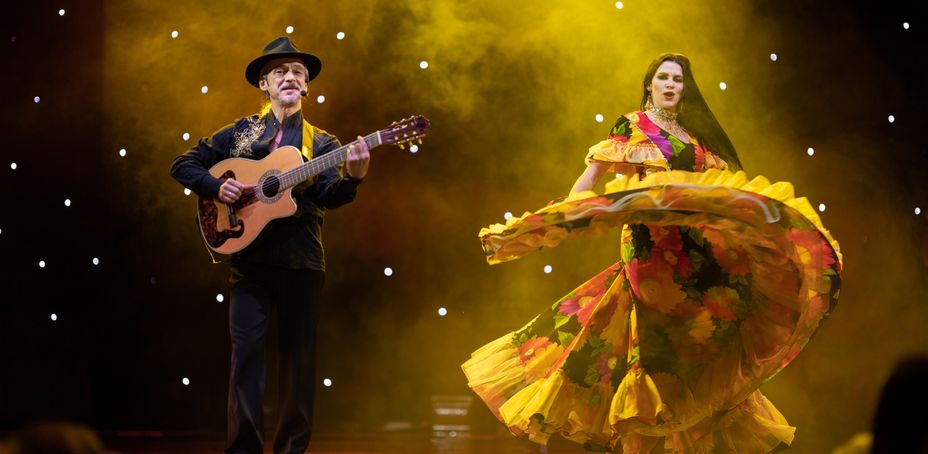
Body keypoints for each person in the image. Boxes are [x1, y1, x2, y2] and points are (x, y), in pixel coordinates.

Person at [463, 53, 842, 452]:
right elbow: (591, 179)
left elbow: (717, 192)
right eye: (662, 77)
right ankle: (639, 433)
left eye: (677, 79)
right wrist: (565, 216)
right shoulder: (634, 126)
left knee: (703, 335)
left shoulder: (696, 138)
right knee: (652, 338)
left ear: (685, 88)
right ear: (650, 84)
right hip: (647, 243)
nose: (670, 84)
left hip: (695, 249)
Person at [170, 36, 370, 454]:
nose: (291, 77)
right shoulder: (240, 134)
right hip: (250, 264)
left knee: (299, 366)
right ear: (264, 83)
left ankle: (290, 451)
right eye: (281, 71)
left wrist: (353, 176)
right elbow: (182, 164)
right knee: (245, 360)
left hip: (302, 263)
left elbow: (331, 196)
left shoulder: (325, 144)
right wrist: (215, 185)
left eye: (298, 72)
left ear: (307, 87)